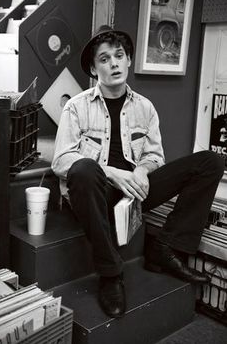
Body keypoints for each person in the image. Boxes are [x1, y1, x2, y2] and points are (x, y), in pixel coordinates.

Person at [52, 25, 225, 318]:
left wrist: (143, 171)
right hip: (95, 193)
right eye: (104, 59)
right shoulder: (76, 107)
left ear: (129, 60)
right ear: (94, 69)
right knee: (82, 168)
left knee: (211, 162)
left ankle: (167, 247)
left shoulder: (145, 107)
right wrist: (112, 173)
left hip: (134, 191)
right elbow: (61, 161)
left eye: (119, 55)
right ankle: (110, 273)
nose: (114, 63)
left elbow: (155, 155)